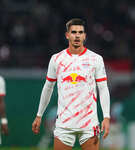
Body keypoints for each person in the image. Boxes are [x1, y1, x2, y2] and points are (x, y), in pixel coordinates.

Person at [32, 18, 110, 150]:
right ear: (67, 35)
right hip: (64, 123)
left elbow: (103, 89)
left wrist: (106, 117)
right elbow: (48, 88)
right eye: (74, 32)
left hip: (89, 123)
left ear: (85, 36)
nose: (77, 35)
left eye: (80, 32)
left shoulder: (95, 59)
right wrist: (39, 115)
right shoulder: (56, 59)